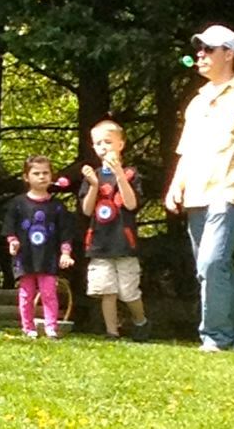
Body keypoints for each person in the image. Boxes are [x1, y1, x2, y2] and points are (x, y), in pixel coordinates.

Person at [164, 25, 234, 353]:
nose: (200, 54)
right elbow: (185, 152)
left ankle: (215, 337)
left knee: (212, 265)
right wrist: (175, 187)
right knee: (216, 269)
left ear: (229, 53)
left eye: (208, 49)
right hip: (196, 195)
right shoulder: (197, 102)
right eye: (198, 48)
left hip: (231, 194)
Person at [79, 120, 151, 342]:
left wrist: (119, 173)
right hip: (100, 243)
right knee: (106, 290)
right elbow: (86, 210)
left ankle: (140, 321)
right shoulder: (93, 175)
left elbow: (131, 204)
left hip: (124, 243)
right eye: (98, 143)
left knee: (128, 292)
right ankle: (112, 332)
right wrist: (92, 185)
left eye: (108, 142)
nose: (103, 147)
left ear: (121, 144)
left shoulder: (131, 174)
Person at [2, 156, 75, 339]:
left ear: (52, 176)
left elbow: (66, 232)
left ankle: (51, 327)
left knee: (49, 293)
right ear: (26, 177)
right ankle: (28, 327)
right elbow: (9, 226)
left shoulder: (57, 206)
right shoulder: (17, 203)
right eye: (36, 173)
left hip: (48, 257)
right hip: (25, 256)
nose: (41, 177)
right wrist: (12, 241)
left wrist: (65, 253)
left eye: (45, 173)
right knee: (26, 294)